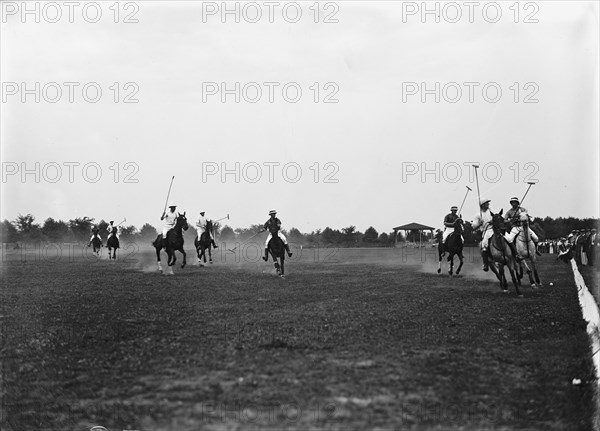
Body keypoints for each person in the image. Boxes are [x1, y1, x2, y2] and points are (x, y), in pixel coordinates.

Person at [471, 199, 493, 271]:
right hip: (485, 231)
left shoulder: (491, 212)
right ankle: (485, 264)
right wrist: (479, 224)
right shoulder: (478, 215)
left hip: (494, 229)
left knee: (508, 239)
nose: (488, 204)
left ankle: (515, 255)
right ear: (482, 205)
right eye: (487, 203)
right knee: (484, 246)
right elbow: (473, 227)